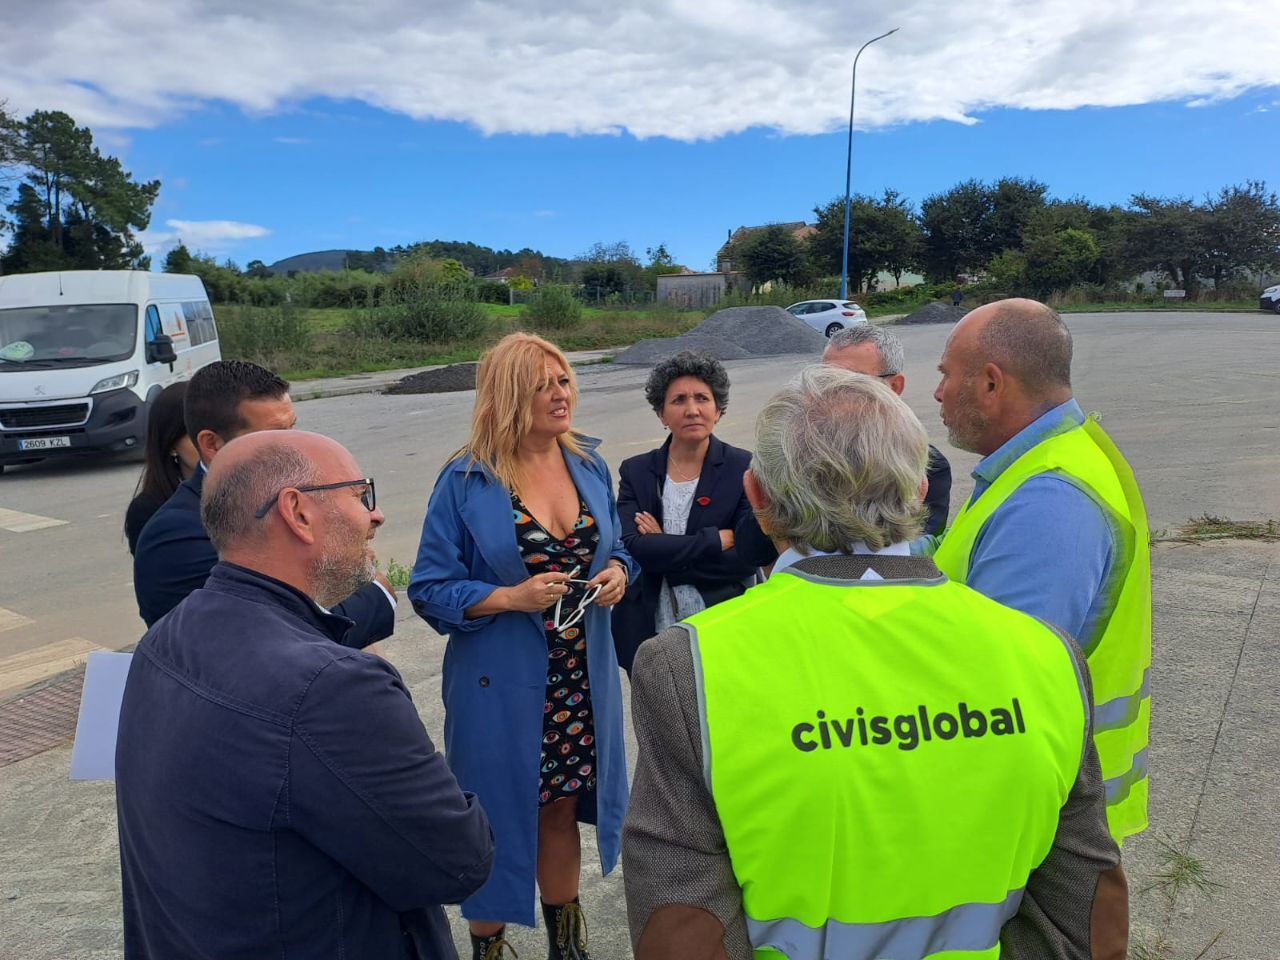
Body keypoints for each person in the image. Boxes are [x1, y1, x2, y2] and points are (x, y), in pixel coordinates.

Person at [622, 366, 1127, 960]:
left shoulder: (689, 666)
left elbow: (682, 921)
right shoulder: (1047, 653)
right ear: (918, 490)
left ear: (757, 498)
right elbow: (1082, 917)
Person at [115, 431, 494, 960]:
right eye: (361, 495)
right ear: (297, 512)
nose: (376, 515)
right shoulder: (332, 687)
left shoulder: (167, 638)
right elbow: (460, 861)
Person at [409, 332, 636, 960]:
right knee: (494, 821)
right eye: (542, 384)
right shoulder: (466, 479)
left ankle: (568, 944)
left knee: (559, 811)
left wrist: (619, 572)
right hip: (500, 683)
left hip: (578, 681)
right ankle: (490, 949)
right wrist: (511, 597)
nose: (560, 394)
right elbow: (429, 588)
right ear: (509, 395)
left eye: (563, 379)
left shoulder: (587, 462)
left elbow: (615, 549)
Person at [927, 298, 1151, 845]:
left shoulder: (1049, 502)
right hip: (1047, 806)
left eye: (947, 375)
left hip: (1037, 825)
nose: (936, 393)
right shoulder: (1048, 461)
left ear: (991, 383)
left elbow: (996, 695)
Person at [132, 360, 395, 648]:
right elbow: (274, 636)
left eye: (293, 429)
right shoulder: (176, 535)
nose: (295, 446)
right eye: (275, 436)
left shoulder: (288, 497)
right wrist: (378, 594)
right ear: (213, 445)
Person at [612, 351, 776, 674]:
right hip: (649, 634)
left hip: (723, 626)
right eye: (678, 400)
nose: (692, 410)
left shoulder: (743, 467)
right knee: (662, 722)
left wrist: (664, 548)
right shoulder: (637, 471)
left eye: (702, 398)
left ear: (719, 410)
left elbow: (745, 557)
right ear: (661, 413)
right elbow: (635, 547)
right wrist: (714, 541)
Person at [823, 325, 953, 535]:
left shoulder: (925, 465)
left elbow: (916, 549)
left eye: (855, 382)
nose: (832, 392)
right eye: (825, 379)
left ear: (894, 387)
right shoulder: (794, 450)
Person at [123, 381, 200, 554]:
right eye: (195, 436)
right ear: (171, 444)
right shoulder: (149, 511)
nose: (212, 444)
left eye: (220, 432)